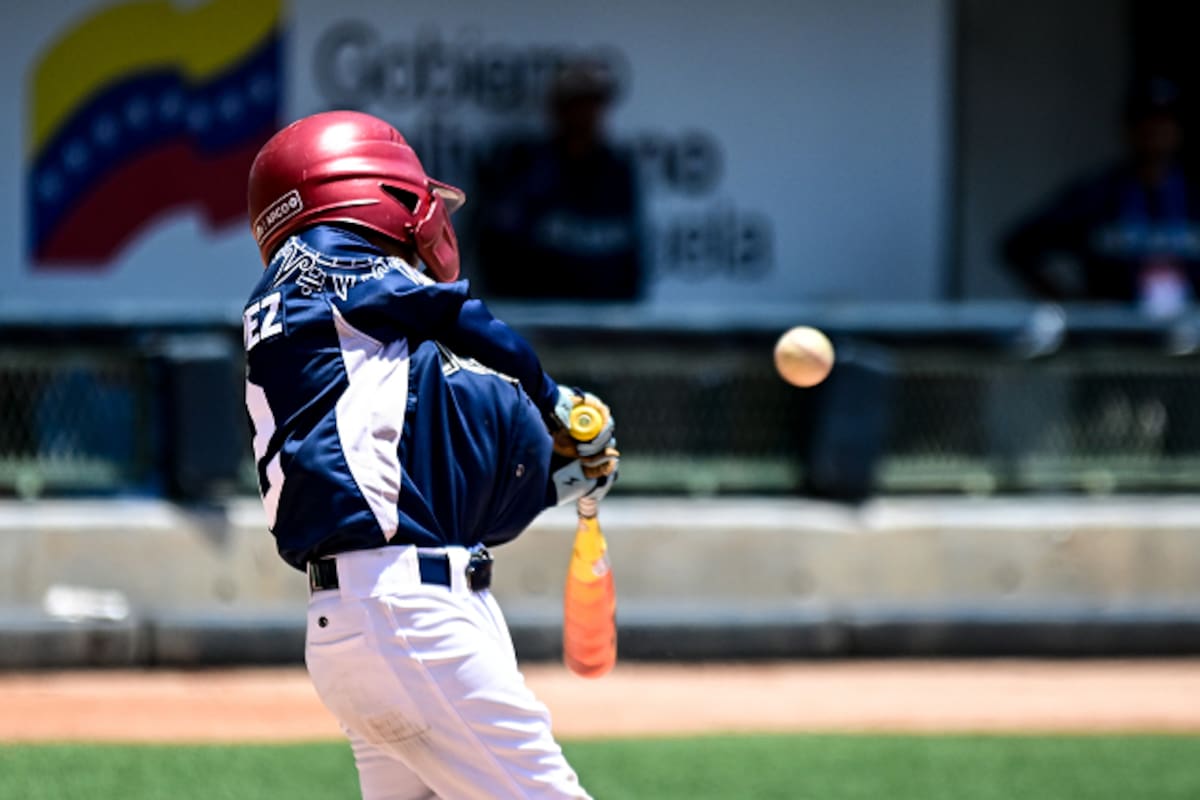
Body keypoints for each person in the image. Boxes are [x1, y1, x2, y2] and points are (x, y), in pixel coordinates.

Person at [242, 110, 618, 800]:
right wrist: (553, 399)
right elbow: (461, 319)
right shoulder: (332, 260)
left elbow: (435, 463)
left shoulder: (315, 323)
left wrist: (558, 479)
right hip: (409, 616)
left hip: (360, 621)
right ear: (363, 187)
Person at [1002, 77, 1200, 316]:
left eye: (1165, 120)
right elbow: (1018, 246)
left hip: (1190, 337)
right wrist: (1070, 305)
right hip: (1113, 339)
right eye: (1145, 120)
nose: (1156, 130)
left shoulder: (1192, 194)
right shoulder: (1096, 195)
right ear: (1129, 127)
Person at [474, 60, 645, 300]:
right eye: (576, 104)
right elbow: (499, 251)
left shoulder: (617, 173)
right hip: (542, 321)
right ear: (557, 109)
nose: (586, 114)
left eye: (593, 104)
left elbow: (630, 257)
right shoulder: (526, 168)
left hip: (604, 323)